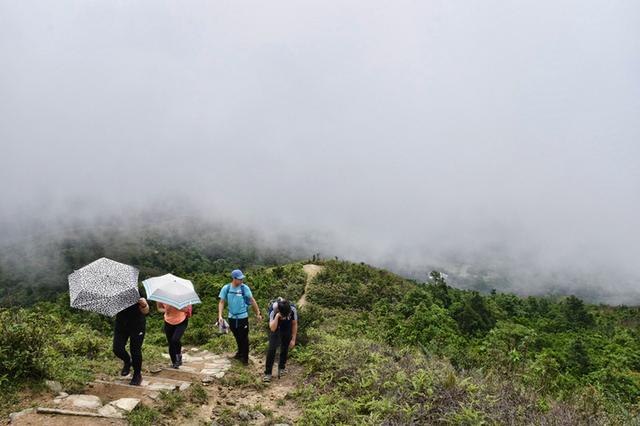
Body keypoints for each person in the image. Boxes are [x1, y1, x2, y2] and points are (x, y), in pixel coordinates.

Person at [218, 269, 263, 365]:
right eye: (239, 279)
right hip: (232, 317)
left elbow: (252, 300)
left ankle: (245, 359)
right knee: (236, 336)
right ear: (234, 278)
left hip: (243, 317)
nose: (241, 280)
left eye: (242, 278)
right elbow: (221, 302)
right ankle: (240, 353)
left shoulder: (244, 288)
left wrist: (258, 313)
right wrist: (220, 316)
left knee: (244, 337)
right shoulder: (226, 288)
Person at [113, 297, 149, 386]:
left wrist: (144, 304)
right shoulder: (114, 294)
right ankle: (127, 361)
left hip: (137, 324)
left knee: (135, 350)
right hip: (121, 324)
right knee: (117, 349)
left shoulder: (136, 292)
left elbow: (146, 311)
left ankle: (137, 375)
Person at [263, 298, 298, 383]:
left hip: (287, 328)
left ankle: (281, 368)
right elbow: (272, 328)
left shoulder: (293, 309)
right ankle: (268, 373)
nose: (286, 317)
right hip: (276, 328)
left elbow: (294, 323)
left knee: (285, 348)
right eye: (284, 316)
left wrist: (293, 339)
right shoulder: (273, 310)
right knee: (271, 349)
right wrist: (277, 317)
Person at [156, 302, 190, 369]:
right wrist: (166, 310)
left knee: (175, 339)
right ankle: (174, 362)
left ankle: (178, 356)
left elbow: (186, 309)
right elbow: (159, 308)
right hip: (168, 321)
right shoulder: (161, 295)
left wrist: (176, 306)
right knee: (170, 343)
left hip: (181, 320)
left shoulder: (182, 294)